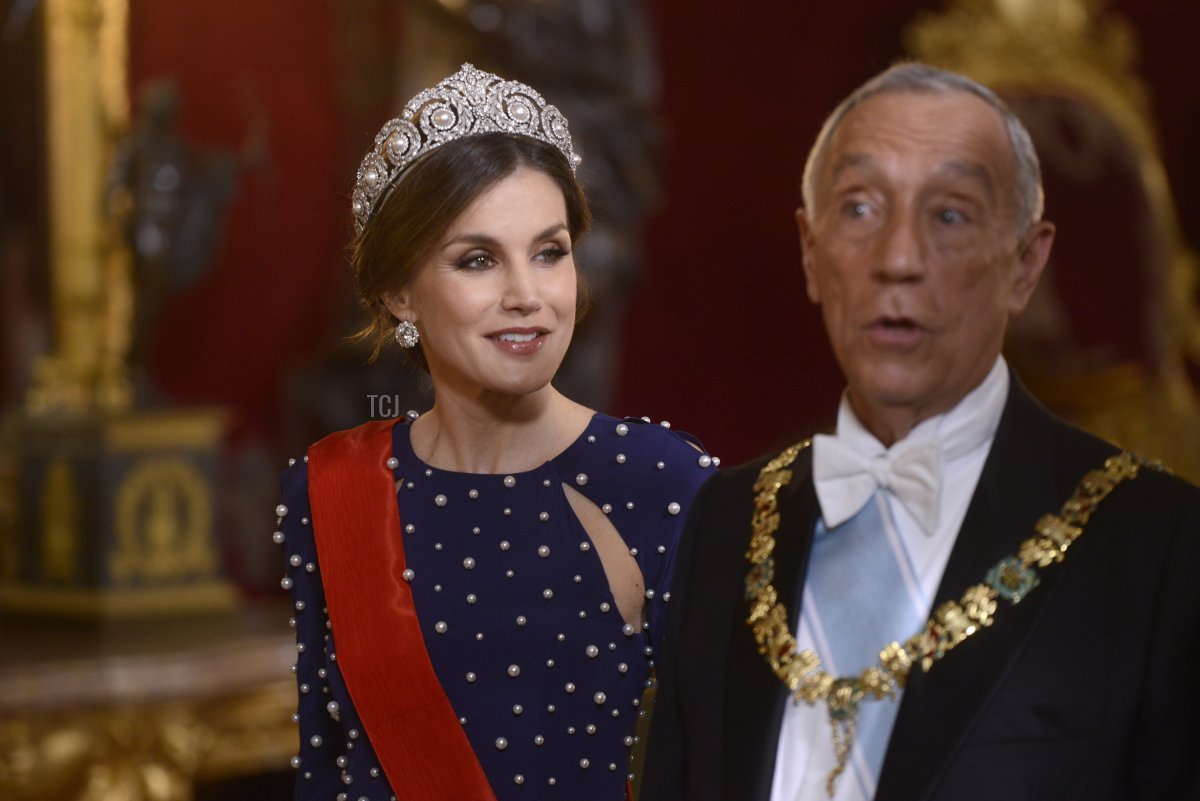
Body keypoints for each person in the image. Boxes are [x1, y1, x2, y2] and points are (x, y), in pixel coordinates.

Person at [641, 62, 1200, 801]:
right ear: (810, 251)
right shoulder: (724, 521)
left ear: (1025, 265)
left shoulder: (1161, 548)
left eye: (950, 215)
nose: (898, 260)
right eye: (860, 208)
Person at [274, 64, 715, 801]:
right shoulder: (328, 490)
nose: (526, 295)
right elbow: (325, 771)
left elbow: (719, 765)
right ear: (399, 291)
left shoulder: (661, 482)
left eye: (550, 252)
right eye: (477, 260)